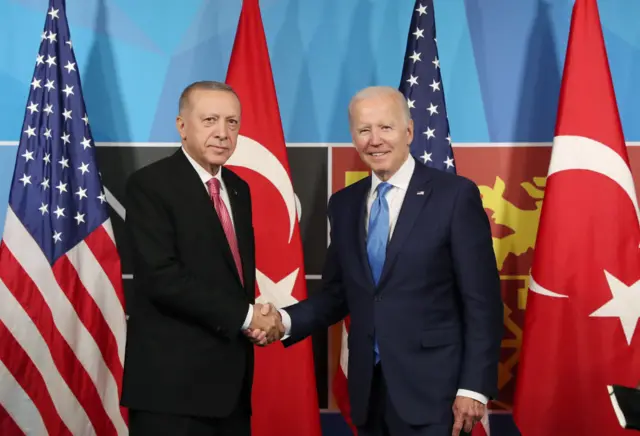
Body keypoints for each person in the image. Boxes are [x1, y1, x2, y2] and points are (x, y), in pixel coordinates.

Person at [250, 86, 503, 436]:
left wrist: (473, 387)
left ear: (409, 132)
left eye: (386, 128)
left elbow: (482, 301)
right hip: (369, 392)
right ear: (353, 137)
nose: (375, 140)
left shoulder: (454, 196)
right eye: (364, 130)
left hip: (437, 393)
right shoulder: (344, 204)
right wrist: (283, 320)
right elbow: (338, 294)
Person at [120, 80, 283, 436]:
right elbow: (162, 277)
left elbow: (230, 277)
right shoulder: (150, 185)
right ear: (182, 126)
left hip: (232, 389)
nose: (223, 133)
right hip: (172, 393)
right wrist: (246, 316)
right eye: (209, 120)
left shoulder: (239, 189)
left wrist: (253, 318)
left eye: (232, 122)